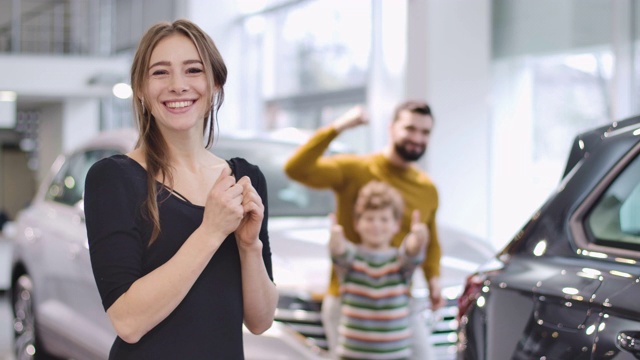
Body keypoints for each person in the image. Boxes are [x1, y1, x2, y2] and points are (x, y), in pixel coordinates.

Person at [83, 19, 278, 359]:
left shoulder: (245, 180)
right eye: (160, 72)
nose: (177, 85)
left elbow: (260, 321)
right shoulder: (113, 179)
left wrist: (249, 246)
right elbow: (127, 321)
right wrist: (211, 231)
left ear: (215, 83)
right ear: (141, 89)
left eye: (193, 70)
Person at [283, 100, 444, 359]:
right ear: (392, 128)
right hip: (349, 301)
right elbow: (296, 168)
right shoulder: (355, 169)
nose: (417, 138)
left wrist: (433, 280)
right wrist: (339, 126)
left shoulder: (427, 188)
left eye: (425, 132)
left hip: (398, 300)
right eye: (410, 128)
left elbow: (431, 241)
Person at [329, 180, 428, 360]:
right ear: (357, 223)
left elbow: (412, 253)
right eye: (369, 218)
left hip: (396, 355)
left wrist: (418, 239)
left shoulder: (399, 262)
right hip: (352, 354)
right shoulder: (352, 260)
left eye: (384, 219)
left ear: (396, 224)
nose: (376, 225)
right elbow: (339, 252)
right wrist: (335, 238)